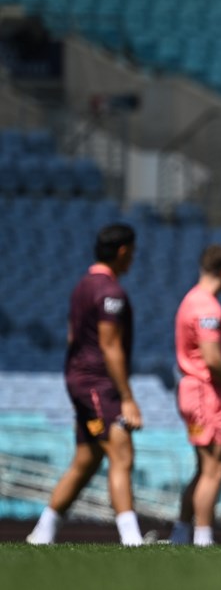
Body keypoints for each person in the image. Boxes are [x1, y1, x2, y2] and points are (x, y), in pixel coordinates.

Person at [27, 223, 145, 546]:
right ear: (122, 251)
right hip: (97, 383)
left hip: (79, 379)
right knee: (122, 454)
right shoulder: (110, 293)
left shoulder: (81, 287)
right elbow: (110, 346)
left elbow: (71, 335)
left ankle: (42, 533)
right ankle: (132, 539)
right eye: (132, 253)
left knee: (87, 459)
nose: (133, 259)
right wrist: (127, 398)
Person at [169, 244, 221, 546]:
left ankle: (180, 532)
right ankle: (203, 537)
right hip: (206, 394)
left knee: (203, 468)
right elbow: (213, 359)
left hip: (191, 392)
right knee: (215, 468)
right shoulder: (207, 308)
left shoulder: (190, 300)